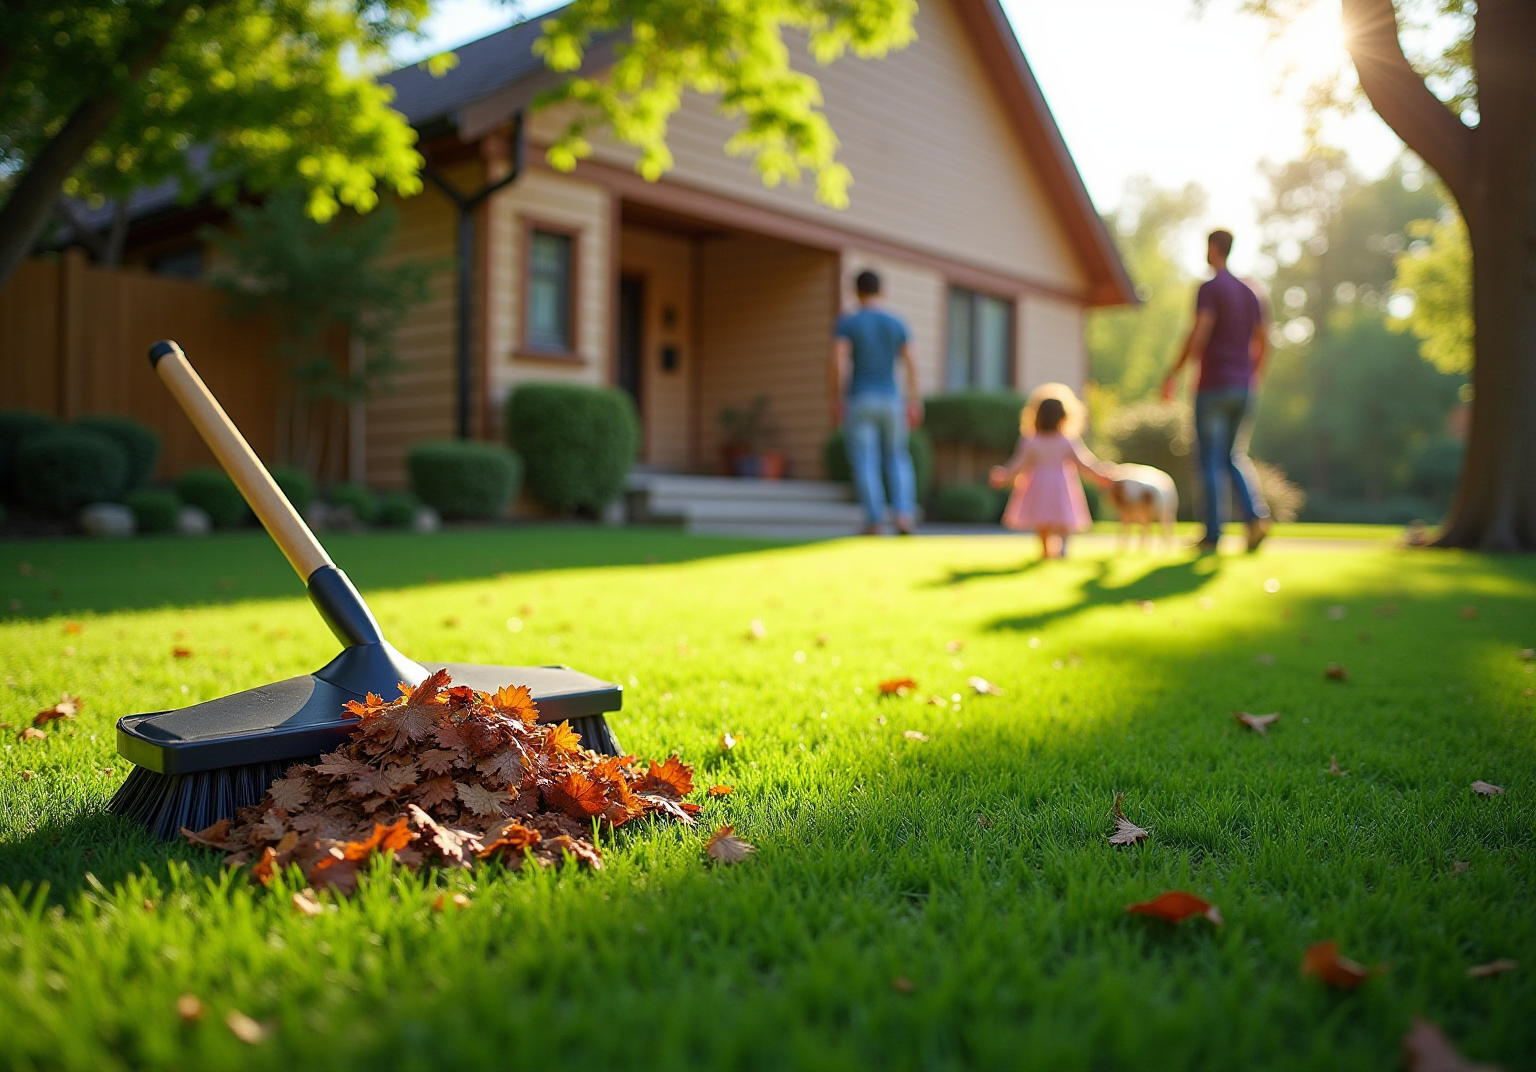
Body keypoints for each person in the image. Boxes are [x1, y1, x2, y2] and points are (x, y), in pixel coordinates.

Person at [1162, 229, 1271, 553]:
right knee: (1233, 456)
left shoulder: (1210, 288)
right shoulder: (1251, 292)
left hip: (1214, 385)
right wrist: (1253, 376)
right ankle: (1255, 518)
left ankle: (1212, 534)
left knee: (1209, 460)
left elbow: (1200, 331)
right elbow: (1264, 340)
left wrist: (1174, 373)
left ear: (1213, 248)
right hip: (1243, 386)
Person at [830, 270, 922, 535]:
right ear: (882, 291)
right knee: (897, 457)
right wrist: (914, 400)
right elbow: (911, 364)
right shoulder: (896, 322)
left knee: (865, 460)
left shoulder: (849, 323)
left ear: (856, 292)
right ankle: (904, 515)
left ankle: (874, 520)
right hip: (891, 399)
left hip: (860, 397)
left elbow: (838, 362)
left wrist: (836, 398)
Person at [989, 383, 1112, 560]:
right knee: (1064, 518)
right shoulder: (1066, 440)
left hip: (1038, 484)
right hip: (1061, 483)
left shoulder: (1031, 440)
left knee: (1043, 520)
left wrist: (1003, 475)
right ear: (1064, 417)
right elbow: (1084, 463)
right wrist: (1099, 473)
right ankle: (1062, 547)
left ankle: (1046, 550)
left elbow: (1018, 464)